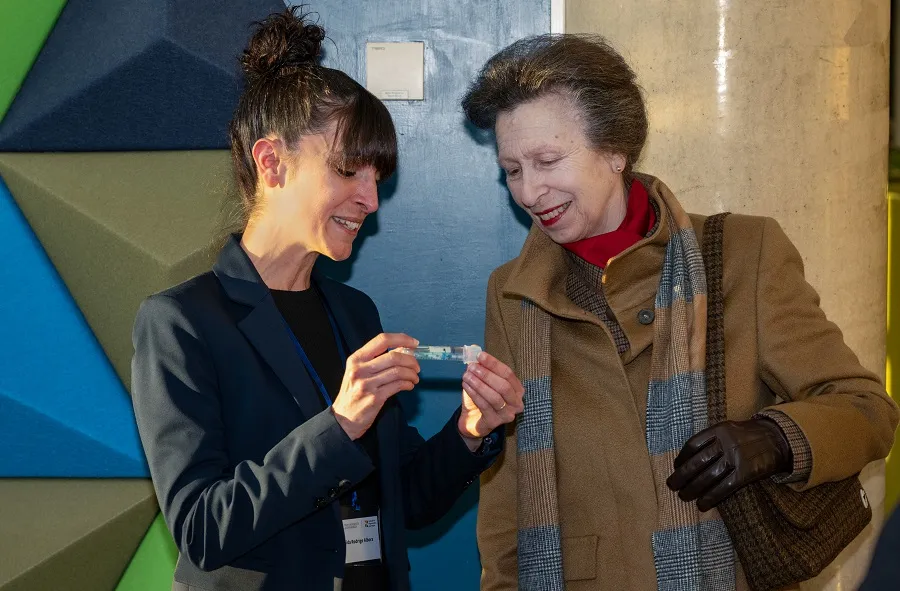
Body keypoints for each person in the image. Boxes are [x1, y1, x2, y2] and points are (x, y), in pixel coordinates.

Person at [461, 34, 899, 590]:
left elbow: (868, 412)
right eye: (512, 169)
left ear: (616, 149)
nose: (528, 190)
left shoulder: (744, 254)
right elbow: (507, 493)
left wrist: (775, 438)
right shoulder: (512, 294)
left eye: (547, 161)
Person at [130, 8, 524, 591]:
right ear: (271, 163)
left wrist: (470, 430)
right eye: (348, 170)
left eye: (377, 176)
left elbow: (407, 499)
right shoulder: (181, 322)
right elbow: (201, 529)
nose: (370, 198)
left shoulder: (353, 313)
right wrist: (339, 426)